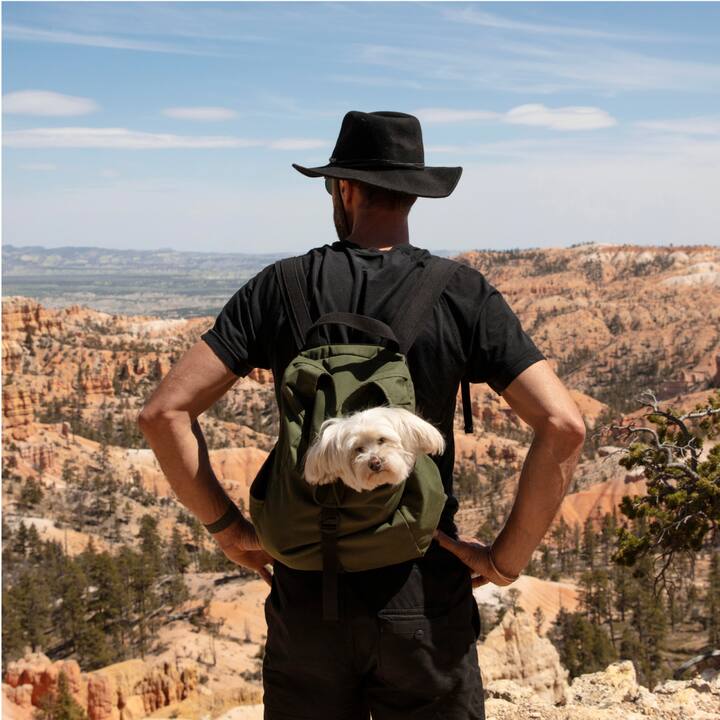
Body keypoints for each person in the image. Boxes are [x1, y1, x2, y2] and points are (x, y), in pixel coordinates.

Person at [138, 111, 586, 720]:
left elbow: (164, 414)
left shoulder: (280, 286)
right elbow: (564, 425)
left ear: (343, 187)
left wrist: (229, 529)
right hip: (424, 589)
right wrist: (505, 559)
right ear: (415, 194)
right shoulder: (460, 290)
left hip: (307, 593)